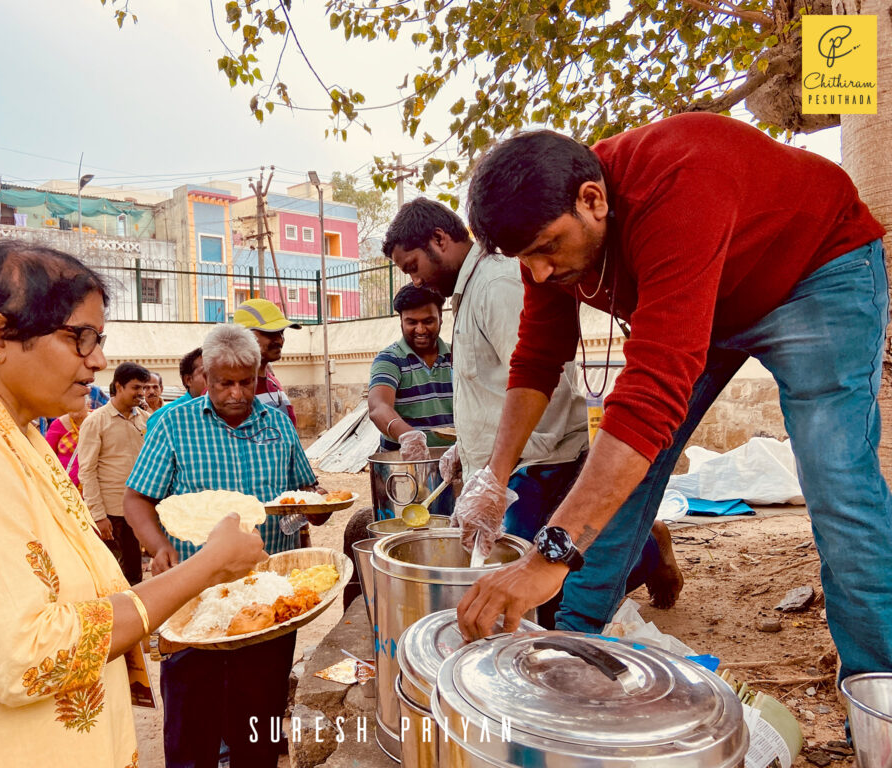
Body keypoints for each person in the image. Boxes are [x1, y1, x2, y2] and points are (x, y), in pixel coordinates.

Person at [453, 113, 891, 687]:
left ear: (592, 201)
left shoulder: (678, 184)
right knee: (622, 475)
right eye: (524, 258)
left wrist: (547, 556)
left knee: (837, 481)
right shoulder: (550, 252)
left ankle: (877, 689)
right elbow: (535, 361)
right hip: (709, 301)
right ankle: (574, 642)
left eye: (544, 248)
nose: (537, 270)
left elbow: (651, 395)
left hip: (815, 273)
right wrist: (493, 477)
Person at [0, 240, 267, 767]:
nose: (98, 360)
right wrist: (209, 565)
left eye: (98, 340)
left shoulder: (12, 434)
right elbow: (26, 653)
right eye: (80, 338)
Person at [384, 198, 683, 622]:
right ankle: (633, 539)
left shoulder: (497, 286)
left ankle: (648, 547)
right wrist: (467, 451)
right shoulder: (467, 294)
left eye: (414, 265)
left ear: (439, 240)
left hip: (538, 463)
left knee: (544, 584)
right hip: (506, 465)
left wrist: (497, 469)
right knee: (507, 577)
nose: (416, 279)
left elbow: (544, 385)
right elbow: (490, 388)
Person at [124, 324, 326, 768]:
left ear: (258, 375)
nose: (236, 393)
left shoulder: (276, 424)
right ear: (205, 377)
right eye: (224, 383)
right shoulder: (174, 425)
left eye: (245, 382)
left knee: (258, 724)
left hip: (266, 600)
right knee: (192, 725)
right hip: (196, 602)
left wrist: (313, 509)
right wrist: (158, 547)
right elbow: (137, 498)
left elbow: (305, 493)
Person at [77, 362, 151, 585]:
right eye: (136, 387)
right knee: (113, 577)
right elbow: (87, 471)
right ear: (119, 386)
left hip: (140, 508)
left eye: (144, 388)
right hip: (112, 513)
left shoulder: (146, 420)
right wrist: (98, 515)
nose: (141, 393)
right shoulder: (95, 422)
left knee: (136, 575)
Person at [368, 283, 454, 462]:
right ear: (401, 321)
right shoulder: (390, 359)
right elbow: (378, 407)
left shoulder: (458, 356)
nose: (420, 330)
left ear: (441, 318)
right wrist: (408, 436)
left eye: (428, 321)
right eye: (412, 322)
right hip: (403, 465)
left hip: (454, 461)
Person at [233, 298, 299, 425]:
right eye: (271, 333)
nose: (280, 340)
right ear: (244, 336)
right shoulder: (227, 390)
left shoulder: (272, 382)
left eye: (281, 332)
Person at [145, 347, 207, 435]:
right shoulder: (163, 417)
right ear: (188, 380)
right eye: (206, 373)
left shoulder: (228, 415)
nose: (215, 378)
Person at [44, 405, 90, 488]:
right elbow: (47, 454)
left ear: (88, 405)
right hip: (64, 483)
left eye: (79, 405)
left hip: (90, 482)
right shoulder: (58, 425)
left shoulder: (96, 421)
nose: (75, 409)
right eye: (72, 405)